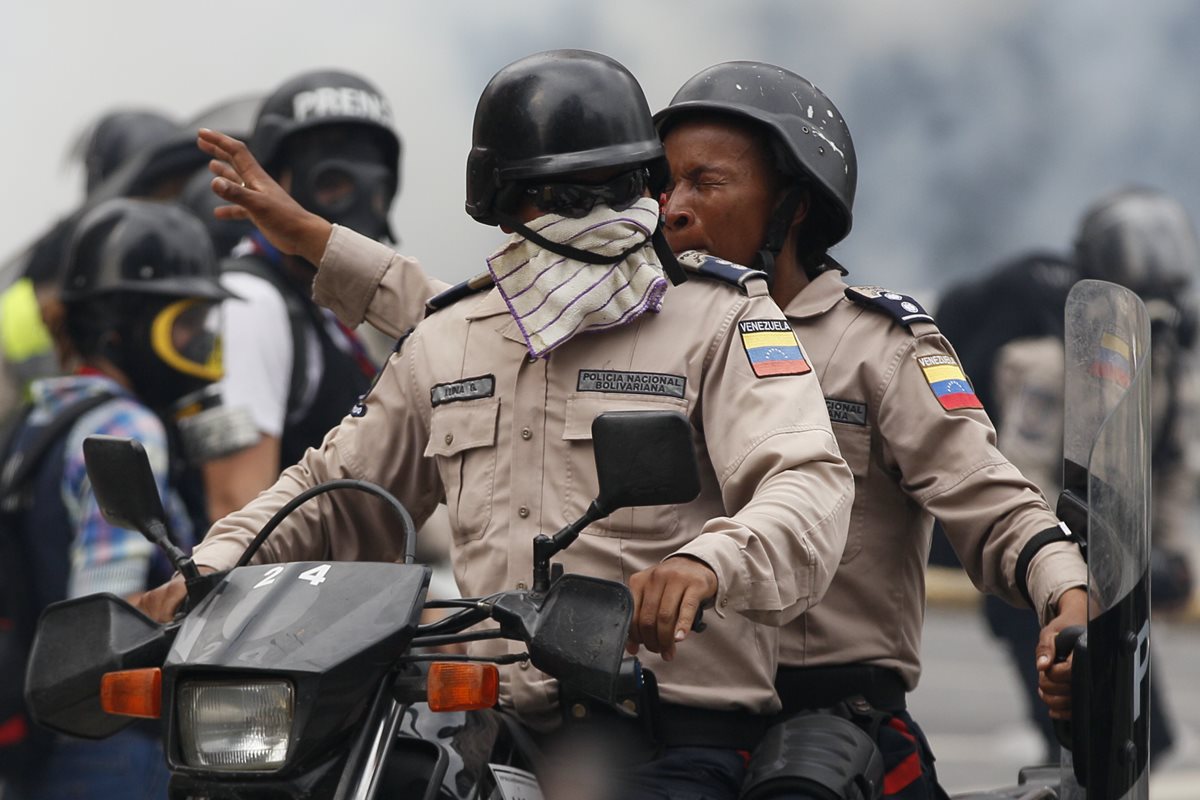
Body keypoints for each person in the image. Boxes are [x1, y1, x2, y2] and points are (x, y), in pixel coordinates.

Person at [221, 60, 1094, 797]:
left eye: (704, 183)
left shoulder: (870, 346)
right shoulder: (636, 311)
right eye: (659, 181)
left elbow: (990, 498)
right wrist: (317, 241)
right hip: (631, 699)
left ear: (795, 202)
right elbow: (473, 334)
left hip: (813, 711)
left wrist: (1068, 597)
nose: (669, 207)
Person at [139, 49, 855, 799]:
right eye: (566, 194)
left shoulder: (726, 321)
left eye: (616, 186)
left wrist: (709, 563)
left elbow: (805, 481)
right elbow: (332, 490)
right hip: (491, 726)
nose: (601, 215)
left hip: (671, 734)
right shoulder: (454, 335)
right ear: (507, 202)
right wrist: (211, 568)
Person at [954, 187, 1200, 769]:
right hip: (1036, 581)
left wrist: (1164, 553)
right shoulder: (1049, 363)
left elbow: (1169, 467)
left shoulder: (1163, 368)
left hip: (1115, 581)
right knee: (1083, 744)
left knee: (1137, 742)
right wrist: (1059, 561)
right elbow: (1022, 476)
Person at [0, 198, 231, 799]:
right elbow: (108, 612)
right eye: (185, 324)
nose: (199, 342)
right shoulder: (127, 425)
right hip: (119, 746)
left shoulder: (41, 418)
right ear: (120, 327)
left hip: (50, 736)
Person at [200, 69, 397, 521]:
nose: (355, 209)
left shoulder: (330, 310)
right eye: (332, 184)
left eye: (375, 191)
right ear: (272, 184)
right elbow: (237, 506)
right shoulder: (249, 304)